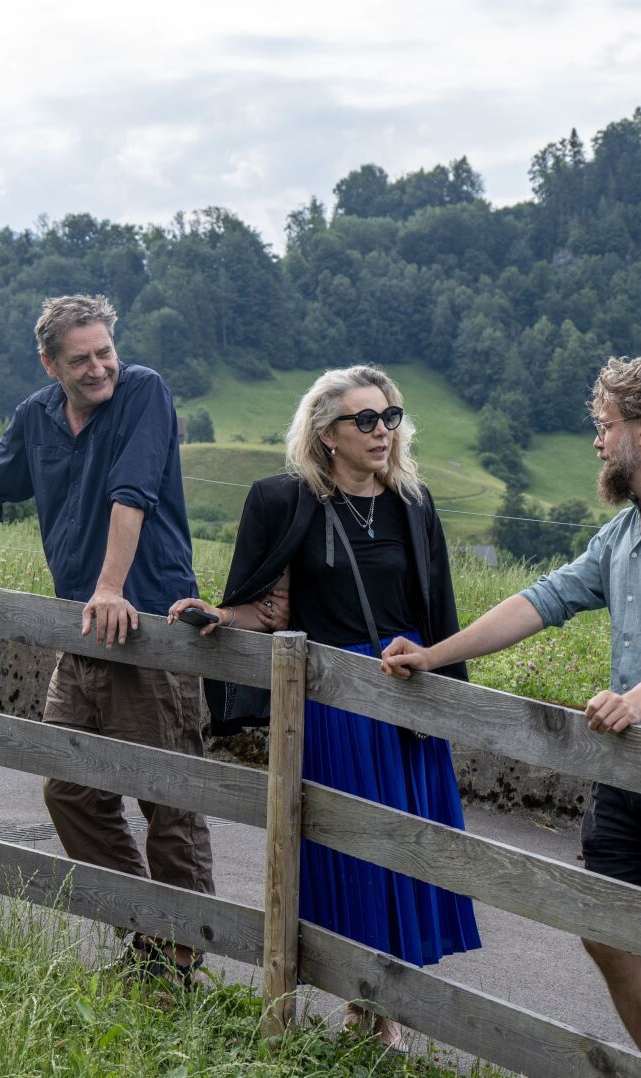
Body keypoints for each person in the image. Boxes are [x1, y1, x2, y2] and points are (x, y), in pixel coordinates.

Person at [381, 355, 641, 1077]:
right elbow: (543, 600)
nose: (598, 442)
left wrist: (638, 699)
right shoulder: (624, 531)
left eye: (605, 427)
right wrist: (436, 655)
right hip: (625, 762)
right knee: (603, 930)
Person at [0, 294, 211, 985]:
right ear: (50, 363)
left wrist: (112, 587)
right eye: (80, 358)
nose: (98, 367)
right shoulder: (38, 417)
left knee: (169, 796)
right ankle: (145, 930)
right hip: (79, 633)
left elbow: (132, 491)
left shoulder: (143, 392)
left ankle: (180, 957)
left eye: (104, 351)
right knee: (69, 792)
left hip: (149, 631)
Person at [168, 365, 481, 1049]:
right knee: (349, 854)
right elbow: (267, 606)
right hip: (334, 704)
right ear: (326, 432)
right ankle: (364, 1007)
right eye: (365, 420)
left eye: (390, 417)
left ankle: (385, 1009)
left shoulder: (414, 504)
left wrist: (449, 703)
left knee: (404, 853)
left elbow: (440, 611)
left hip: (404, 696)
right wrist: (217, 614)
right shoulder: (283, 500)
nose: (382, 431)